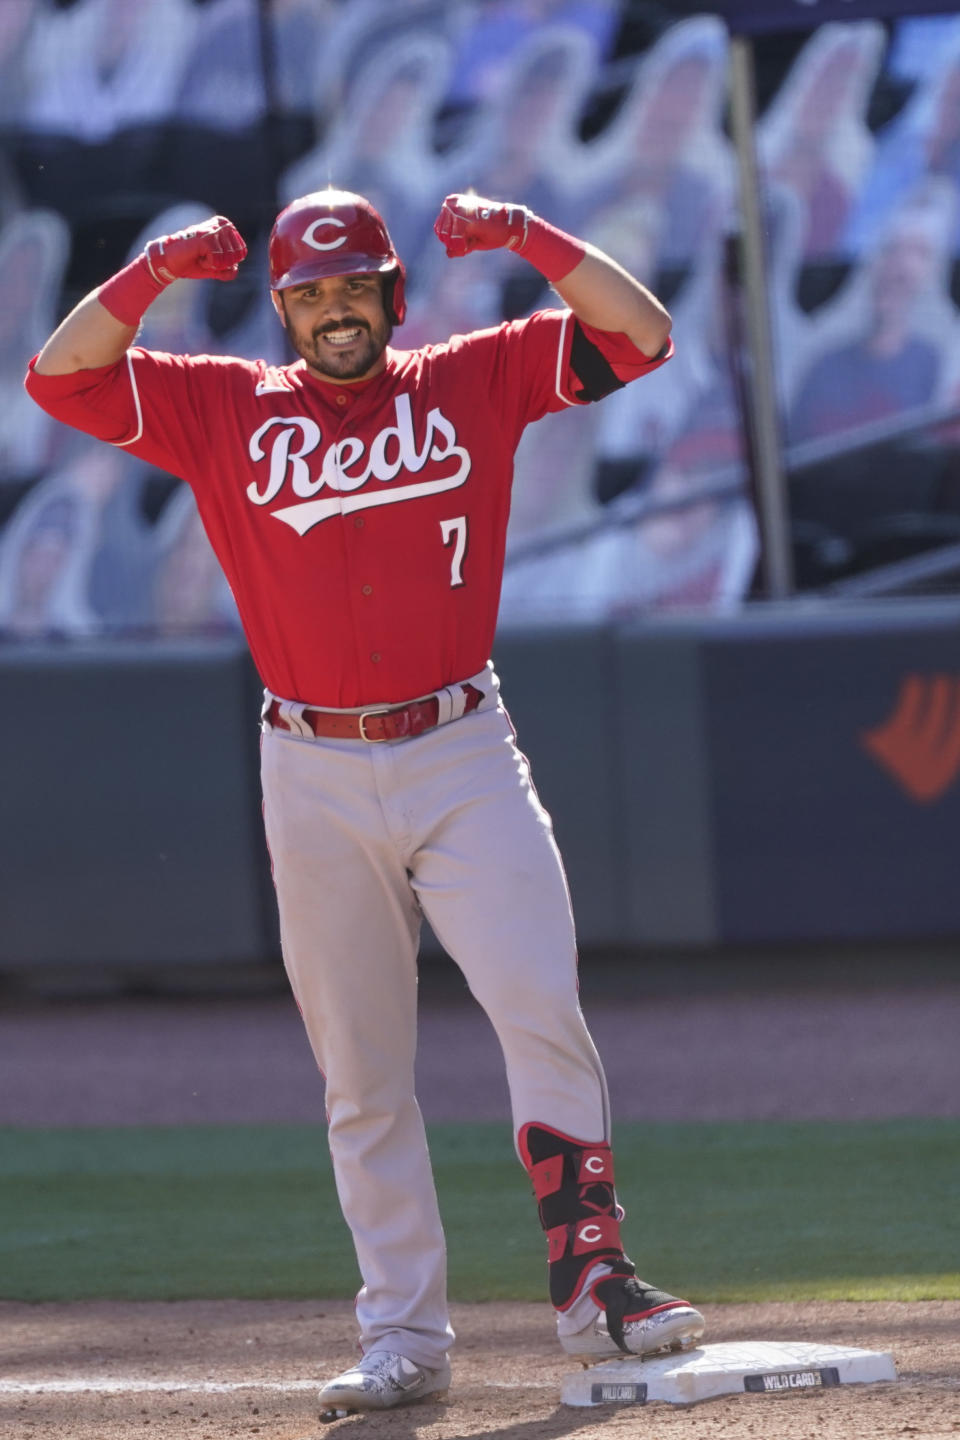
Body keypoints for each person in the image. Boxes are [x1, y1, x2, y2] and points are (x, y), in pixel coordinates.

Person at [24, 189, 705, 1414]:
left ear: (393, 293)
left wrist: (527, 238)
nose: (335, 309)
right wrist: (152, 269)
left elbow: (643, 334)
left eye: (355, 287)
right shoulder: (225, 404)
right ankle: (404, 1335)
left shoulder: (469, 379)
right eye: (310, 292)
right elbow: (60, 376)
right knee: (360, 1070)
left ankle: (596, 1285)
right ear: (281, 306)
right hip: (312, 763)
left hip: (460, 740)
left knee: (539, 1002)